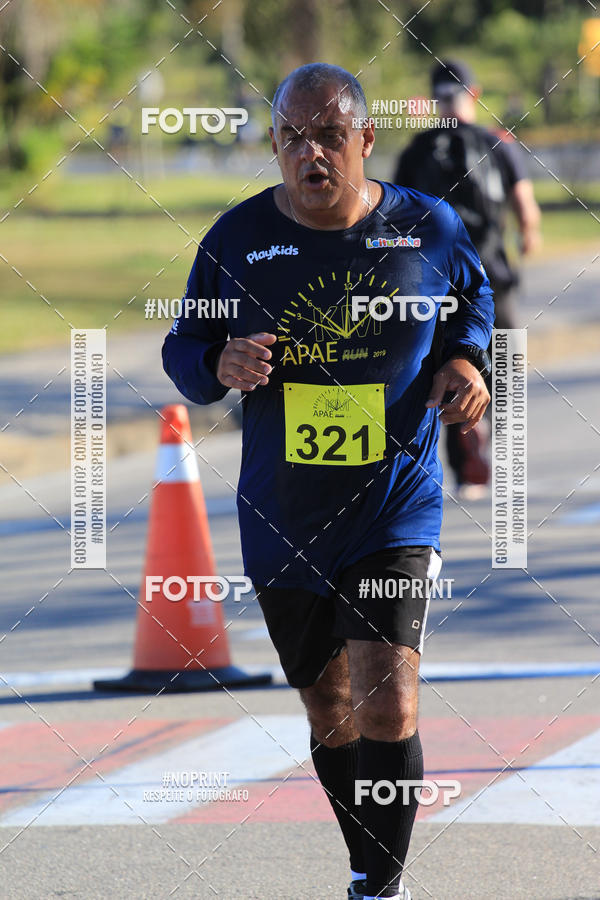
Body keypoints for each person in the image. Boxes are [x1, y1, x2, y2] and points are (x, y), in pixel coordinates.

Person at [163, 63, 493, 900]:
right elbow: (180, 353)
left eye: (330, 137)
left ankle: (379, 888)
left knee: (388, 702)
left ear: (366, 140)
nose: (312, 153)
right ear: (274, 145)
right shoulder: (235, 242)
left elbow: (472, 304)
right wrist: (217, 359)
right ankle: (367, 865)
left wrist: (467, 359)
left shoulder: (427, 226)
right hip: (284, 514)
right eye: (292, 138)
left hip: (394, 502)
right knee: (331, 711)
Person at [395, 59, 541, 497]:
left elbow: (395, 211)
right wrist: (527, 232)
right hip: (474, 282)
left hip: (458, 282)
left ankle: (481, 463)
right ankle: (485, 462)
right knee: (482, 372)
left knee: (474, 371)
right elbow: (525, 207)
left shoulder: (425, 149)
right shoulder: (495, 145)